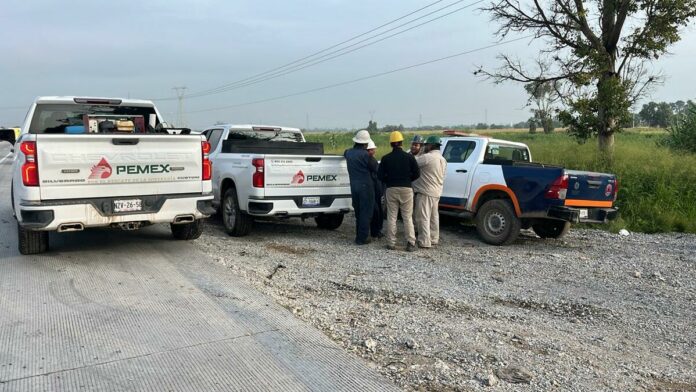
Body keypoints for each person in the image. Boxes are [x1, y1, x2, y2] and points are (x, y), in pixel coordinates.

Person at [378, 131, 420, 251]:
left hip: (391, 189)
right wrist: (407, 180)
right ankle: (411, 243)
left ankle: (391, 243)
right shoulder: (409, 157)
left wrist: (389, 180)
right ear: (401, 143)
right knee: (407, 217)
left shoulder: (386, 158)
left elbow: (379, 176)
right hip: (406, 189)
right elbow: (417, 173)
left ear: (391, 144)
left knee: (392, 216)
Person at [344, 130, 378, 245]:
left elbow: (345, 152)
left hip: (354, 187)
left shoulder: (348, 153)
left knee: (358, 212)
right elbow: (376, 168)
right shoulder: (366, 155)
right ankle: (362, 238)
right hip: (366, 187)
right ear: (365, 144)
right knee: (366, 212)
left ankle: (359, 235)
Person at [413, 136, 447, 248]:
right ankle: (434, 238)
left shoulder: (427, 157)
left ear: (431, 145)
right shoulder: (443, 159)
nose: (424, 147)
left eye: (426, 145)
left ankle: (424, 241)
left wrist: (420, 151)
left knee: (423, 217)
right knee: (434, 217)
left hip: (425, 192)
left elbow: (412, 162)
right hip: (437, 192)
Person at [367, 140, 384, 239]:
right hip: (374, 188)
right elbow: (378, 173)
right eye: (373, 149)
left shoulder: (368, 159)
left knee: (376, 210)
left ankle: (376, 230)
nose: (374, 151)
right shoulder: (371, 161)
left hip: (375, 188)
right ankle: (376, 231)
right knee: (376, 211)